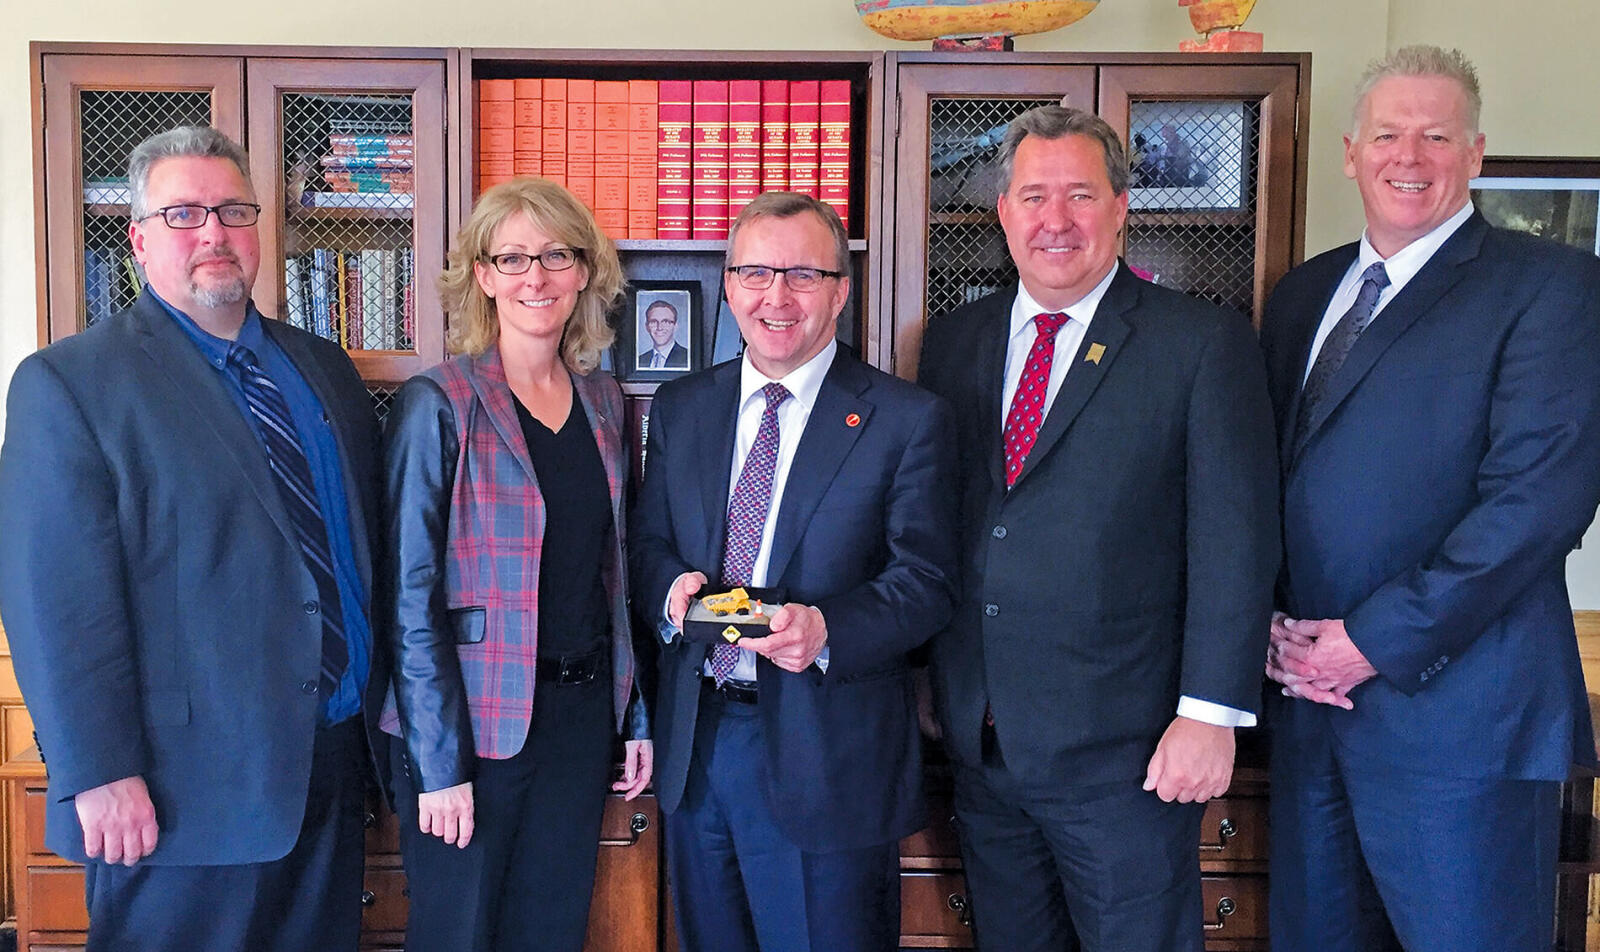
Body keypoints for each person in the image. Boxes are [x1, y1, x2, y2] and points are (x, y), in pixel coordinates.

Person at [0, 125, 385, 950]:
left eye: (232, 210)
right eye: (183, 214)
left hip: (331, 766)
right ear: (138, 240)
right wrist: (97, 769)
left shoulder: (323, 368)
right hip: (178, 795)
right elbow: (56, 602)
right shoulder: (70, 385)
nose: (213, 232)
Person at [1260, 45, 1600, 952]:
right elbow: (1260, 480)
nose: (1408, 157)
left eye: (1436, 135)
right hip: (1309, 713)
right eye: (1388, 134)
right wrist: (1262, 618)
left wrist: (1370, 643)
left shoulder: (1552, 288)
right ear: (1349, 151)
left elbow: (1537, 504)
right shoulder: (1300, 296)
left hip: (1461, 726)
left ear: (1477, 154)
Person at [918, 105, 1279, 951]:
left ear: (1121, 207)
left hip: (1130, 755)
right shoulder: (954, 340)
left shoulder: (1202, 343)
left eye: (1080, 194)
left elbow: (1237, 538)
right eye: (1034, 195)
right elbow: (948, 521)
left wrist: (1211, 713)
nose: (1055, 220)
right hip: (985, 743)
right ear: (1002, 210)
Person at [630, 191, 958, 952]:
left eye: (804, 275)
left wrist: (828, 629)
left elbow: (928, 582)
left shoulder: (906, 419)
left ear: (841, 290)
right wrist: (669, 588)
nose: (776, 297)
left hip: (828, 755)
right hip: (699, 748)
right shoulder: (683, 406)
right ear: (728, 284)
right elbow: (645, 545)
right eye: (755, 273)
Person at [379, 176, 652, 951]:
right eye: (513, 257)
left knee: (552, 931)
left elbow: (616, 574)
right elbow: (409, 592)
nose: (536, 276)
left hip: (576, 722)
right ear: (485, 276)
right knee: (460, 935)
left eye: (556, 255)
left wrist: (631, 715)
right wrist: (439, 764)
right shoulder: (439, 401)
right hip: (469, 730)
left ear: (584, 272)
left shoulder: (605, 401)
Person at [639, 298, 689, 370]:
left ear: (675, 326)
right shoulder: (640, 360)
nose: (659, 327)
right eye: (653, 321)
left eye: (665, 322)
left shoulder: (687, 357)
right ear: (647, 327)